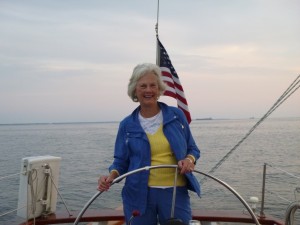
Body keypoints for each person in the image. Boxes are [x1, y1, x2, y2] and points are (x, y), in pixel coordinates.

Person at [98, 63, 201, 225]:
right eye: (143, 86)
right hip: (138, 194)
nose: (148, 90)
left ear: (159, 89)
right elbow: (120, 161)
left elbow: (193, 149)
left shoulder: (176, 116)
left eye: (153, 85)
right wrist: (111, 176)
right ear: (135, 90)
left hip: (175, 193)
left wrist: (189, 160)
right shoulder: (126, 124)